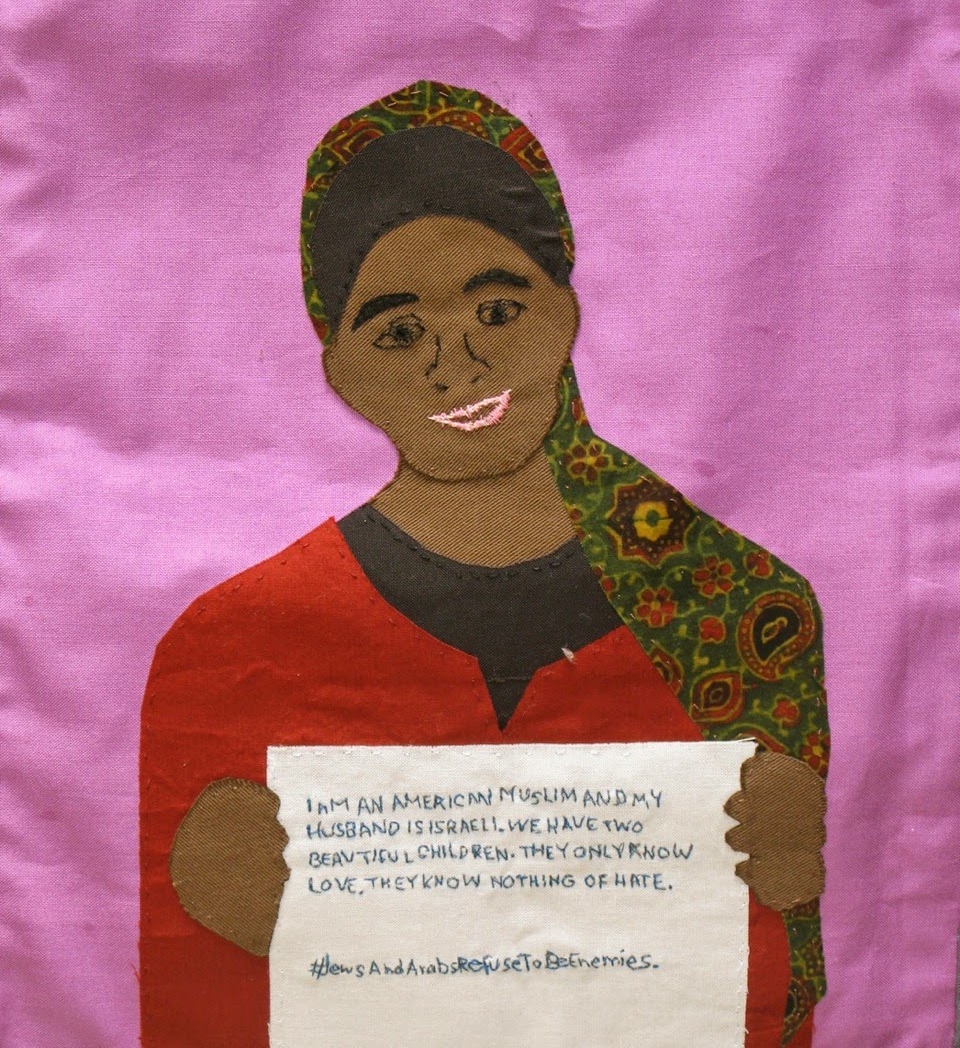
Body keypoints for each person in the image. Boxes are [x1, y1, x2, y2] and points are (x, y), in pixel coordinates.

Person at [140, 81, 828, 1047]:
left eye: (498, 309)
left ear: (566, 310)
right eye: (397, 331)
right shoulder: (230, 643)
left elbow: (774, 992)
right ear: (338, 364)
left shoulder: (737, 604)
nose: (454, 363)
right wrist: (224, 904)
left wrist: (790, 879)